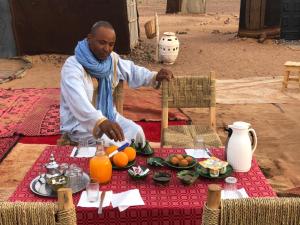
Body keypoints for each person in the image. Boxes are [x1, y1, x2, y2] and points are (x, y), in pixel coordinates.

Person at [60, 21, 173, 148]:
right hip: (80, 125)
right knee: (113, 145)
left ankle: (134, 167)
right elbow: (78, 101)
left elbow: (132, 70)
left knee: (137, 132)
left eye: (111, 44)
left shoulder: (111, 60)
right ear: (89, 38)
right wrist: (100, 121)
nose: (107, 49)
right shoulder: (73, 66)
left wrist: (154, 76)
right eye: (102, 42)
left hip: (109, 115)